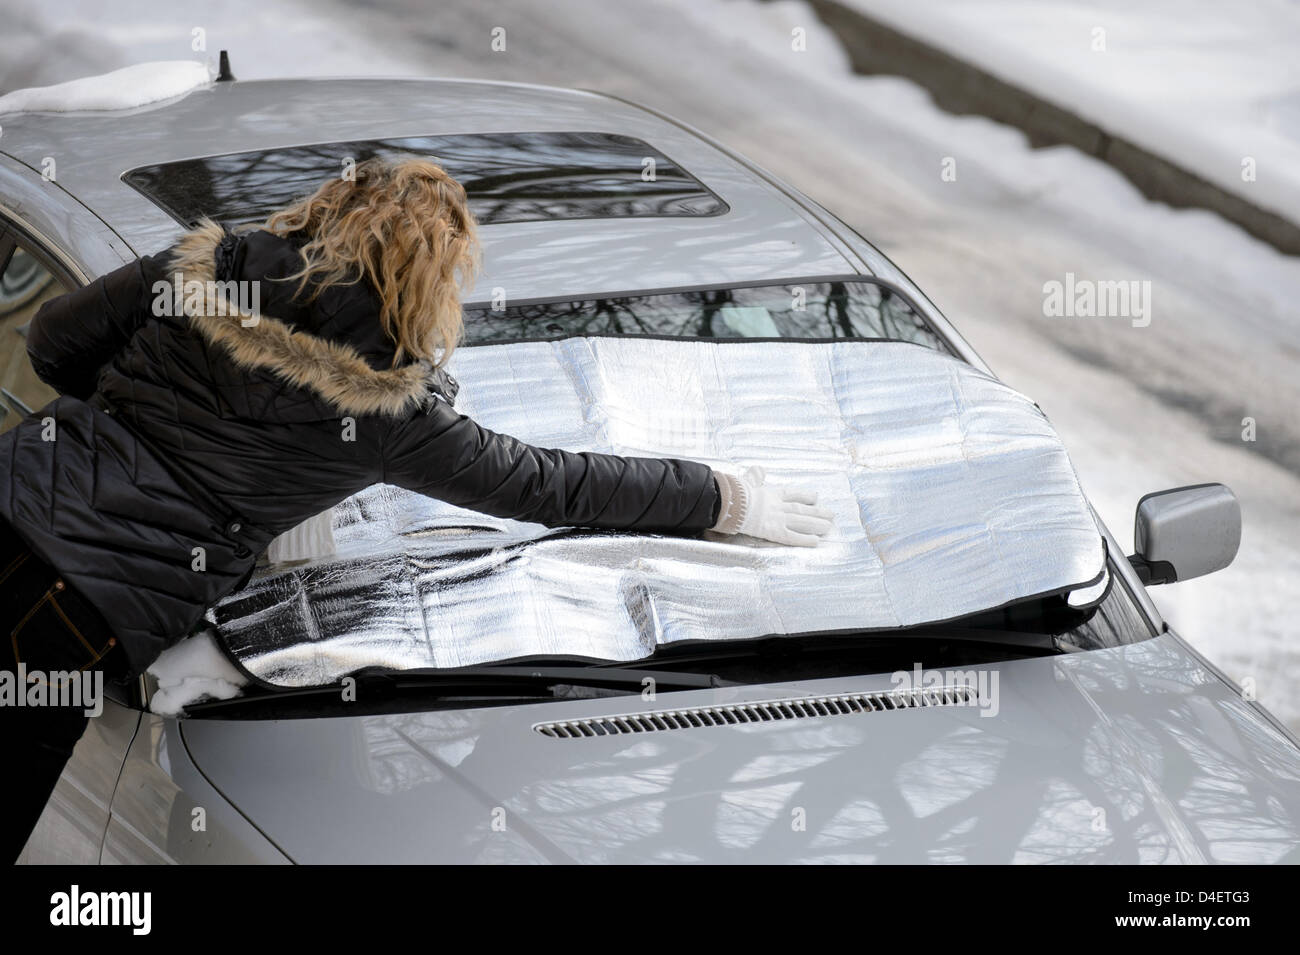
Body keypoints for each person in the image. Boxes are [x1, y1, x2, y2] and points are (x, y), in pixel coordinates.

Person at [0, 156, 833, 861]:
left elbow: (50, 341)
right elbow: (551, 484)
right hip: (78, 610)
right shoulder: (387, 414)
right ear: (434, 281)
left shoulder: (196, 274)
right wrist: (725, 496)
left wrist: (110, 430)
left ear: (327, 208)